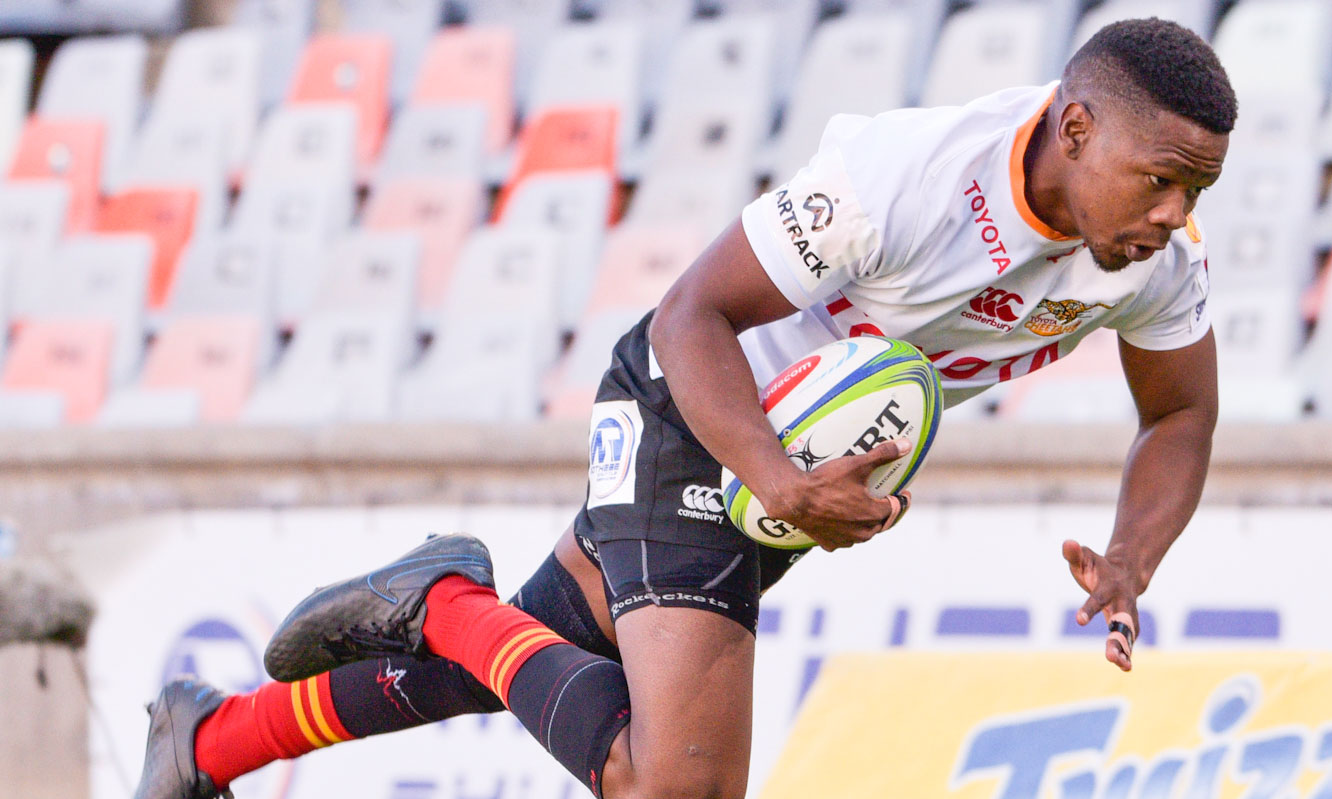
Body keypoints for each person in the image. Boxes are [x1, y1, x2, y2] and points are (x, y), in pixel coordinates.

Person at [134, 17, 1234, 799]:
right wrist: (777, 477)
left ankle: (209, 739)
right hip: (698, 419)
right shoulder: (902, 177)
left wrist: (1133, 558)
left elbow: (1179, 413)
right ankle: (442, 603)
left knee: (545, 667)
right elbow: (688, 315)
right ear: (1077, 128)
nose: (1177, 212)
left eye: (1199, 189)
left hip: (784, 480)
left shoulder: (1150, 261)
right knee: (675, 786)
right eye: (1161, 179)